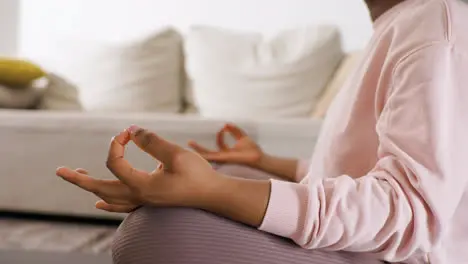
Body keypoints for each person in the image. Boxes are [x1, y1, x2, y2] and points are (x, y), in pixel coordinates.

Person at [56, 0, 468, 263]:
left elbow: (412, 211)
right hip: (366, 242)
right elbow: (376, 170)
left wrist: (211, 192)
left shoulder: (435, 24)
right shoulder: (403, 23)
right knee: (216, 188)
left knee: (162, 228)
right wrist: (268, 163)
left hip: (401, 256)